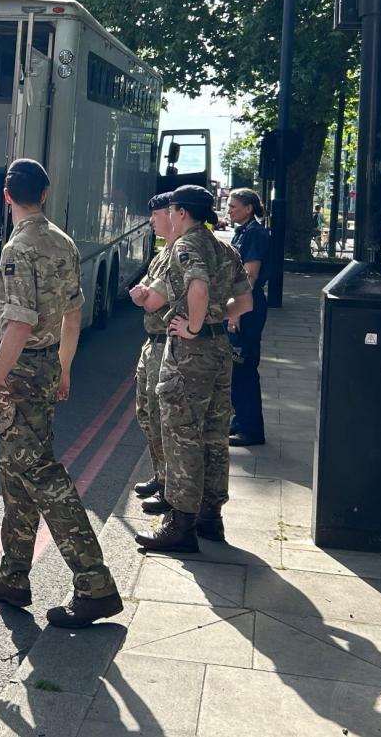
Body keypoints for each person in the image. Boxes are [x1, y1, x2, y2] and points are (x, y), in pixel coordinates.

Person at [0, 158, 123, 629]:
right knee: (15, 474)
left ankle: (95, 583)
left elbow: (19, 324)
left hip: (19, 371)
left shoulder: (19, 248)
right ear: (46, 194)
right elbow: (72, 315)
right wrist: (64, 367)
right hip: (46, 363)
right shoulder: (63, 242)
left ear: (6, 194)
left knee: (40, 474)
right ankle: (13, 575)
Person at [135, 185, 252, 552]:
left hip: (191, 352)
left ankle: (180, 525)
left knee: (182, 433)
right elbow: (245, 301)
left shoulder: (186, 245)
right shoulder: (224, 247)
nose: (167, 215)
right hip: (219, 349)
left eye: (170, 209)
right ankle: (209, 517)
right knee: (214, 434)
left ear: (181, 212)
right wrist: (216, 322)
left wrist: (194, 327)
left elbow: (197, 287)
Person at [129, 192, 185, 514]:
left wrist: (144, 295)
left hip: (167, 346)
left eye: (156, 214)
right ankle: (160, 476)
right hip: (152, 342)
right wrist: (143, 294)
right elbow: (142, 291)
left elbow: (150, 298)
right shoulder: (162, 253)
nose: (151, 220)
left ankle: (170, 489)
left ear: (172, 215)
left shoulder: (179, 253)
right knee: (147, 414)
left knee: (163, 419)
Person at [226, 188, 269, 448]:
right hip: (244, 304)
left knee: (243, 368)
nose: (229, 210)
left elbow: (250, 275)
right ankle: (241, 421)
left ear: (248, 208)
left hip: (248, 307)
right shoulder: (244, 231)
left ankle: (251, 429)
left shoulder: (255, 234)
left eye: (233, 206)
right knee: (236, 369)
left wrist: (237, 311)